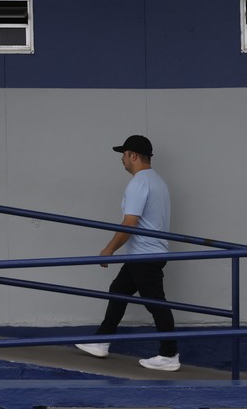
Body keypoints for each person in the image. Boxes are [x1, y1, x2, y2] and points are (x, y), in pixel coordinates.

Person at [76, 134, 180, 371]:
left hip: (145, 255)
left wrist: (108, 250)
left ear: (133, 155)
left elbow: (129, 224)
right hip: (144, 254)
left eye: (123, 155)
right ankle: (101, 341)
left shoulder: (139, 183)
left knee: (156, 304)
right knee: (119, 291)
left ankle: (169, 354)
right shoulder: (158, 182)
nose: (122, 160)